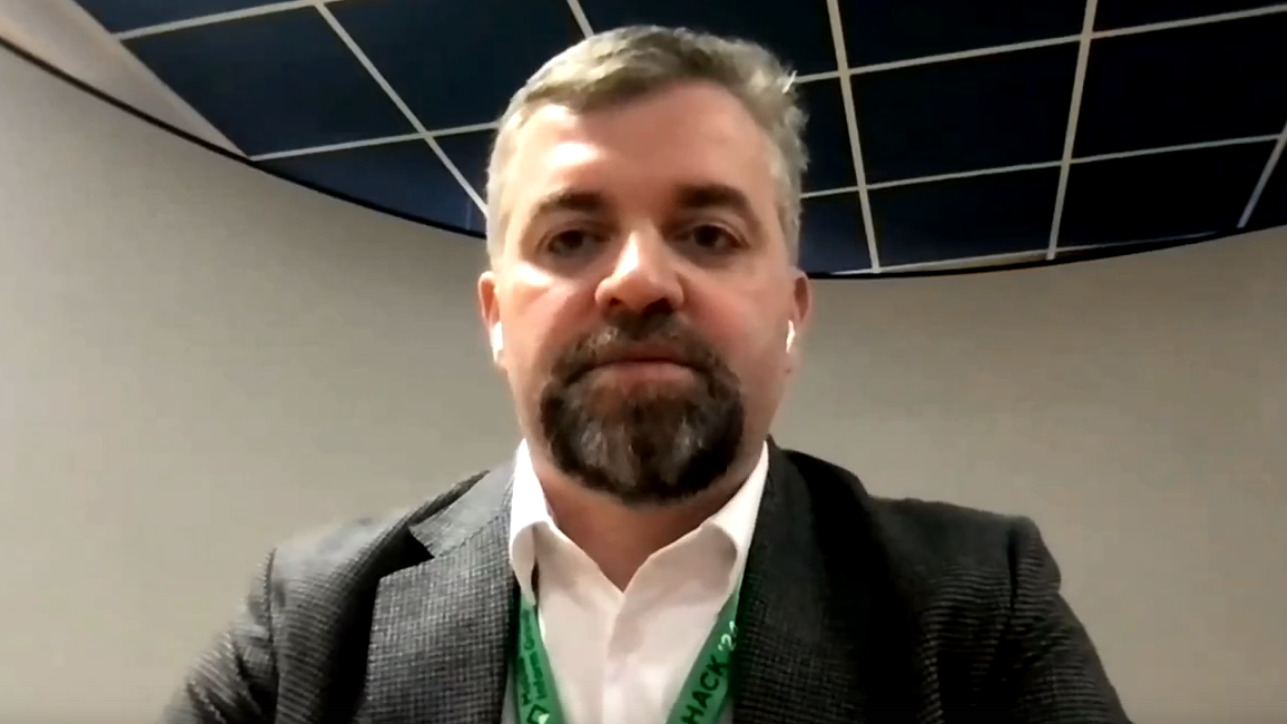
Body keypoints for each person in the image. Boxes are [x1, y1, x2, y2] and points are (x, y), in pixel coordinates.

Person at [161, 25, 1131, 724]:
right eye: (571, 237)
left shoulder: (976, 608)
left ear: (792, 314)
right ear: (496, 318)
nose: (635, 280)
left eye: (707, 234)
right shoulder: (312, 621)